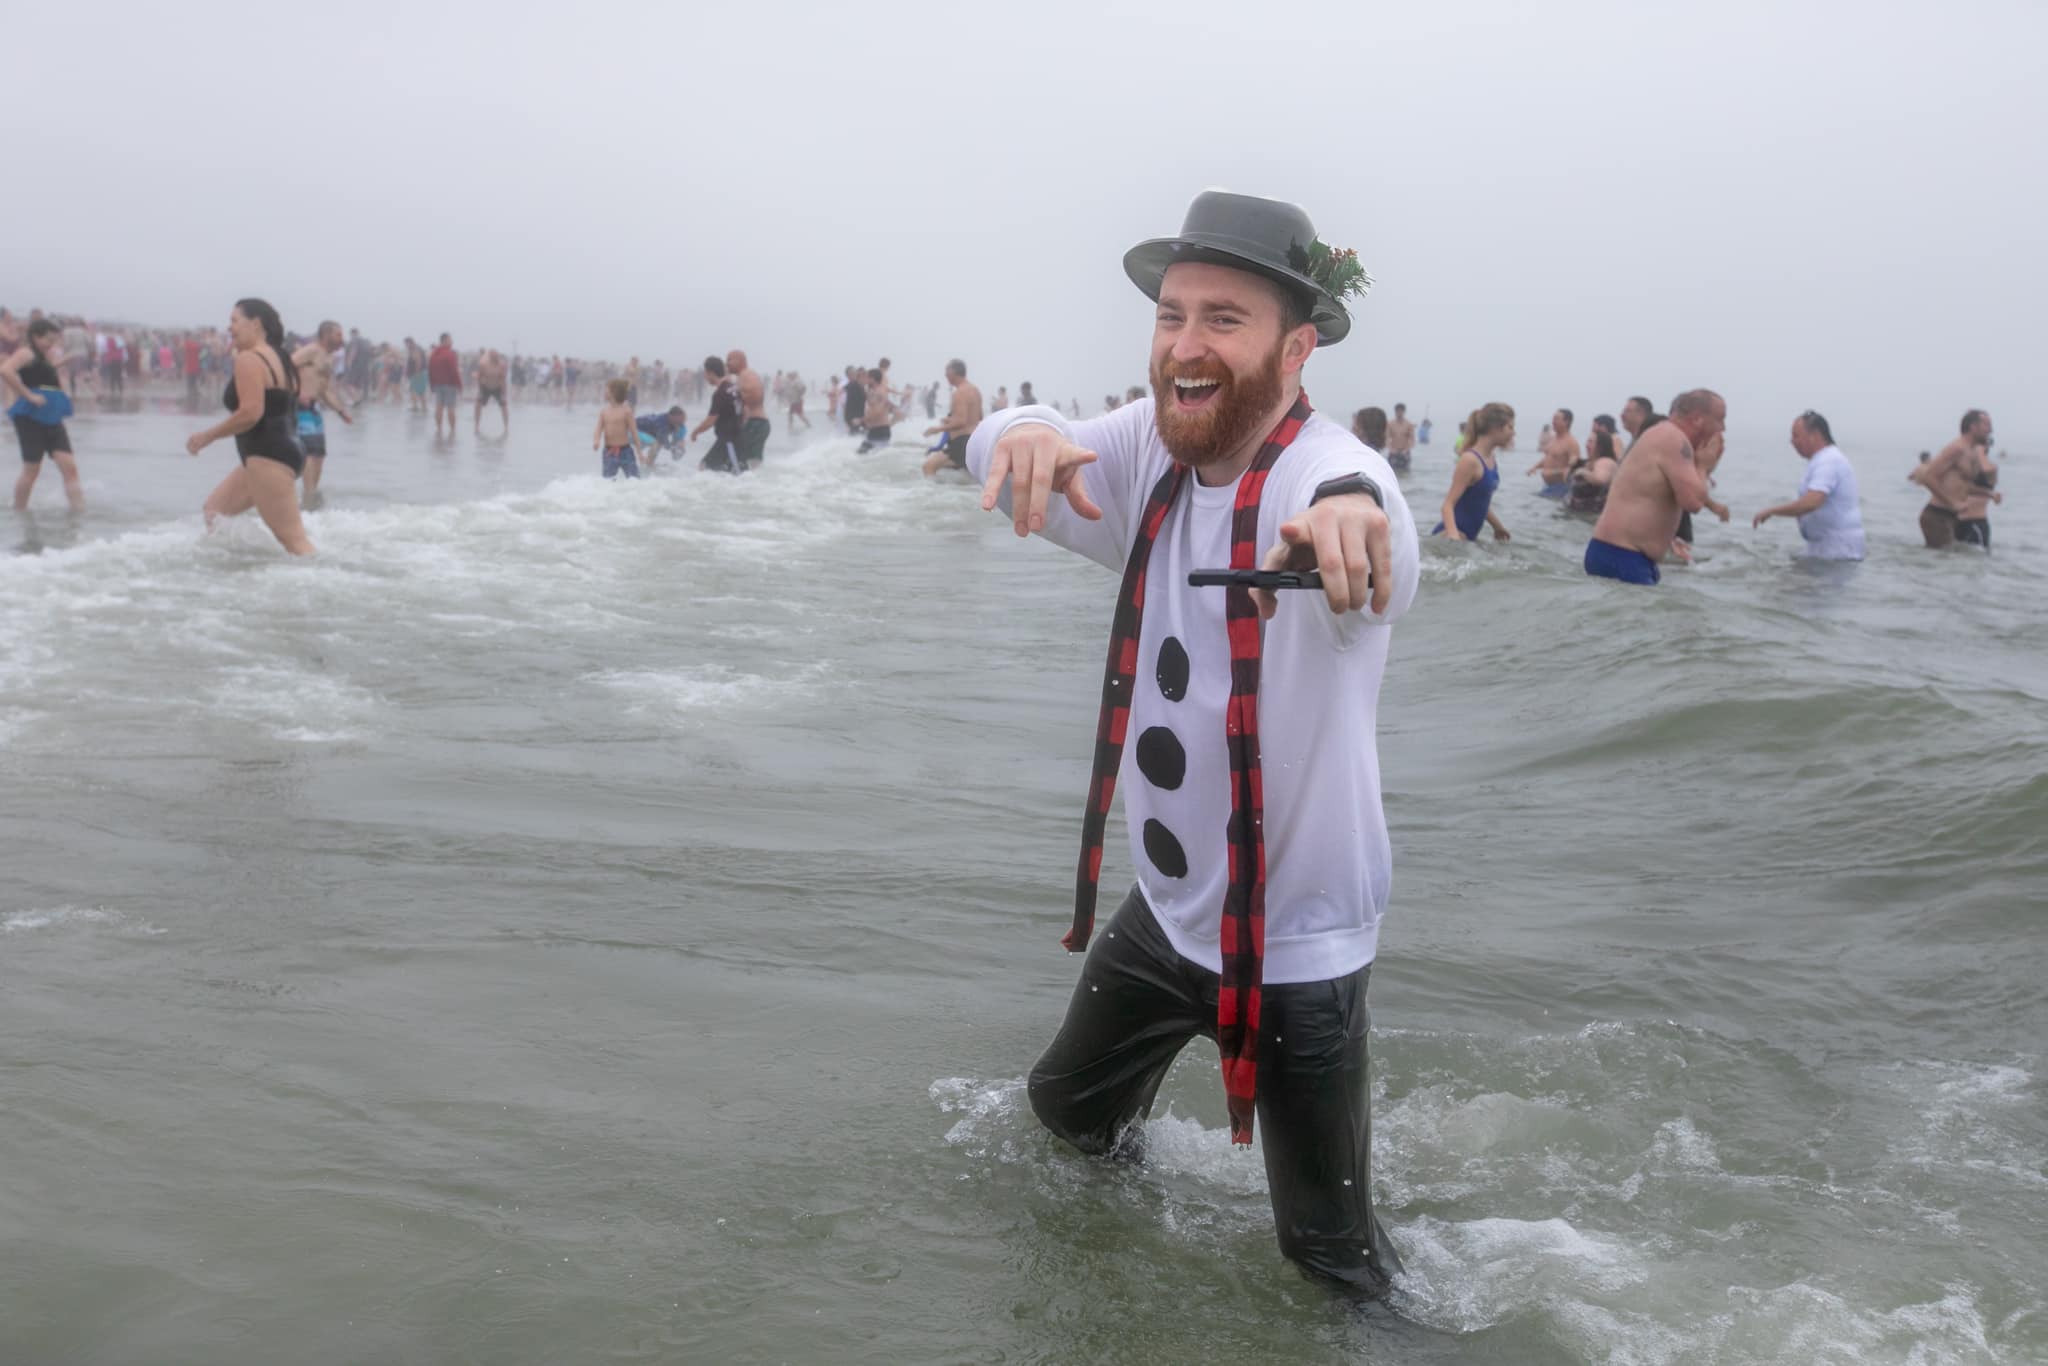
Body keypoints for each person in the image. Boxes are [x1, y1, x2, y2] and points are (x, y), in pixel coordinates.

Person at [967, 189, 1416, 1295]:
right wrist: (1019, 431)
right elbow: (1006, 431)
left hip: (1293, 943)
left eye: (1223, 318)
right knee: (1065, 1119)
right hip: (1165, 914)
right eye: (1171, 315)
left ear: (1294, 347)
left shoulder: (1326, 478)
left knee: (1330, 1265)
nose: (1184, 344)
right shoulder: (1150, 455)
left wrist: (1354, 519)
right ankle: (1121, 1276)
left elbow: (1362, 506)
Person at [185, 298, 313, 556]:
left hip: (268, 457)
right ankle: (245, 572)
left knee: (296, 544)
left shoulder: (249, 359)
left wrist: (207, 437)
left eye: (234, 321)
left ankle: (322, 589)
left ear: (255, 324)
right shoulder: (282, 357)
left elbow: (251, 413)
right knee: (215, 512)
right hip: (287, 451)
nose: (229, 328)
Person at [1584, 388, 1724, 585]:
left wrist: (1669, 541)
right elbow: (1692, 502)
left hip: (1620, 553)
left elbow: (1651, 500)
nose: (1723, 428)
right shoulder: (1674, 439)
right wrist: (1703, 466)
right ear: (1698, 419)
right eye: (1720, 419)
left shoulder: (1662, 435)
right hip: (1622, 555)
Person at [1752, 410, 1865, 560]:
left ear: (1815, 435)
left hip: (1837, 551)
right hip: (1824, 547)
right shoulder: (1821, 460)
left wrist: (1772, 511)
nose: (1792, 442)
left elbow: (1811, 502)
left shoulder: (1829, 461)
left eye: (1796, 436)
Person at [2, 319, 85, 512]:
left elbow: (41, 372)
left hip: (52, 415)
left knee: (69, 466)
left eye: (54, 340)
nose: (51, 344)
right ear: (35, 336)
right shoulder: (25, 352)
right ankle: (19, 510)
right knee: (32, 469)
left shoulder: (41, 356)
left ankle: (79, 512)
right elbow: (6, 370)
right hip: (30, 417)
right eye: (48, 339)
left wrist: (64, 361)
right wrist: (28, 395)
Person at [290, 321, 355, 503]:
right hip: (301, 409)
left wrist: (341, 411)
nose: (341, 339)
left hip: (315, 410)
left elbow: (324, 390)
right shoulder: (312, 350)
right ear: (326, 334)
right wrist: (296, 391)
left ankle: (311, 497)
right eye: (338, 335)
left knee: (319, 454)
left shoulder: (327, 357)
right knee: (309, 453)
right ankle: (308, 497)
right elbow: (287, 365)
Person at [1910, 409, 1994, 549]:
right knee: (1943, 564)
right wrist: (1952, 502)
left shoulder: (1972, 452)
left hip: (1952, 517)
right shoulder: (1957, 448)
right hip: (1936, 515)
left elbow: (1963, 485)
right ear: (1973, 427)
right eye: (1986, 425)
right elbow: (1928, 477)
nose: (1990, 430)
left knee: (1952, 564)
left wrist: (1989, 494)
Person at [1433, 403, 1513, 542]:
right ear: (1496, 428)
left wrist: (1498, 527)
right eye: (1510, 427)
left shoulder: (1491, 459)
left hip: (1469, 537)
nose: (1513, 433)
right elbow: (1447, 505)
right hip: (1451, 535)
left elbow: (1480, 502)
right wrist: (1454, 536)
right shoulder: (1470, 460)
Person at [921, 358, 985, 477]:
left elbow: (961, 422)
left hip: (961, 441)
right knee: (965, 475)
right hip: (973, 440)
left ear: (953, 373)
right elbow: (978, 417)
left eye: (947, 371)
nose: (945, 375)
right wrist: (951, 419)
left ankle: (933, 493)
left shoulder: (960, 392)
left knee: (928, 467)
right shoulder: (975, 390)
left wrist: (937, 429)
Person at [691, 355, 744, 474]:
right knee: (722, 471)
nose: (704, 376)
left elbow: (711, 420)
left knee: (706, 468)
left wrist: (695, 432)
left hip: (729, 440)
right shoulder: (734, 388)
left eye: (705, 373)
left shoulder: (720, 393)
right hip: (734, 437)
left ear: (710, 372)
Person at [1566, 415, 1622, 515]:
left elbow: (1600, 479)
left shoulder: (1605, 461)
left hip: (1592, 517)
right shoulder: (1588, 463)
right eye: (1587, 441)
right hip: (1577, 515)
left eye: (1591, 442)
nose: (1587, 445)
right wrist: (1572, 466)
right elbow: (1567, 480)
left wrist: (1582, 472)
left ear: (1601, 446)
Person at [1955, 434, 2000, 550]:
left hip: (1976, 521)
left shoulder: (1991, 468)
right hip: (1957, 520)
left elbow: (1986, 473)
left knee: (1978, 560)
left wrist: (1980, 451)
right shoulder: (1965, 465)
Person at [730, 350, 771, 469]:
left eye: (730, 360)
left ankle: (753, 483)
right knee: (750, 462)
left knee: (749, 462)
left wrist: (738, 391)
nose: (727, 363)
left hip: (756, 423)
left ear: (740, 360)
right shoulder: (746, 376)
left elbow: (752, 397)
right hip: (758, 423)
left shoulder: (745, 375)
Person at [593, 379, 640, 479]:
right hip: (609, 452)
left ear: (614, 392)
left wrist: (640, 453)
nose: (604, 392)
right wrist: (596, 440)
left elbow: (634, 432)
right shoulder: (604, 412)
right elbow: (598, 429)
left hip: (626, 451)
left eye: (606, 390)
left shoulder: (626, 411)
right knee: (607, 481)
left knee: (634, 479)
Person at [1527, 408, 1579, 496]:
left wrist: (1559, 472)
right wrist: (1535, 467)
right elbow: (1549, 457)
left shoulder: (1571, 443)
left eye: (1556, 419)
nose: (1553, 422)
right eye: (1553, 419)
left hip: (1561, 488)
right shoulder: (1554, 439)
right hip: (1547, 486)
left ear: (1566, 422)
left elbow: (1573, 465)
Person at [428, 332, 461, 439]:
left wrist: (432, 384)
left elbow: (430, 370)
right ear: (445, 341)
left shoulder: (434, 353)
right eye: (450, 340)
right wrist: (459, 384)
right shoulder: (449, 354)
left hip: (437, 384)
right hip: (450, 384)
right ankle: (453, 431)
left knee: (439, 407)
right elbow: (454, 371)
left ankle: (439, 429)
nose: (452, 342)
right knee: (450, 407)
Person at [856, 368, 894, 453]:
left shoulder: (879, 392)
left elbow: (877, 411)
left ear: (872, 379)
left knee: (863, 454)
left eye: (867, 378)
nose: (865, 380)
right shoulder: (874, 391)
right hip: (876, 430)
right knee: (867, 456)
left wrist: (861, 420)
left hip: (880, 430)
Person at [475, 349, 510, 437]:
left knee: (504, 406)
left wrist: (504, 393)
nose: (496, 358)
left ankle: (506, 427)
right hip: (485, 386)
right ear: (490, 357)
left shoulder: (502, 365)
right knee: (478, 405)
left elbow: (503, 379)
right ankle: (476, 426)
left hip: (497, 387)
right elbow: (479, 377)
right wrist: (480, 390)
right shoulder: (483, 364)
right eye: (494, 356)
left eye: (497, 356)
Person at [1384, 403, 1414, 475]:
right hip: (1393, 452)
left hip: (1405, 452)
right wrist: (1391, 449)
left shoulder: (1409, 424)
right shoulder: (1390, 424)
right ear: (1395, 412)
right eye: (1398, 411)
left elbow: (1411, 439)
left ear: (1404, 412)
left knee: (1405, 472)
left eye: (1401, 411)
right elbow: (1386, 438)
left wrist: (1406, 450)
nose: (1399, 413)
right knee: (1392, 472)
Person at [843, 365, 866, 435]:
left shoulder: (857, 385)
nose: (854, 375)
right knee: (855, 434)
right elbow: (845, 403)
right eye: (851, 373)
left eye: (854, 372)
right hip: (853, 416)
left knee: (860, 434)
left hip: (860, 415)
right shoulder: (850, 386)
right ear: (848, 375)